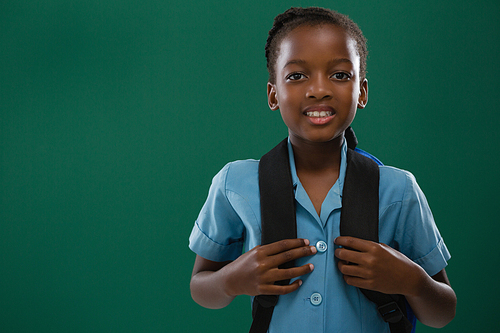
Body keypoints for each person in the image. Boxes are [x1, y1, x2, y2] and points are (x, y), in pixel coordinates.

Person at [188, 7, 456, 332]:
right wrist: (231, 280)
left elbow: (442, 311)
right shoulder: (236, 184)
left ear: (363, 92)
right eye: (297, 76)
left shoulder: (397, 190)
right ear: (273, 94)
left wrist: (412, 281)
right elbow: (200, 287)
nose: (319, 90)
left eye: (340, 75)